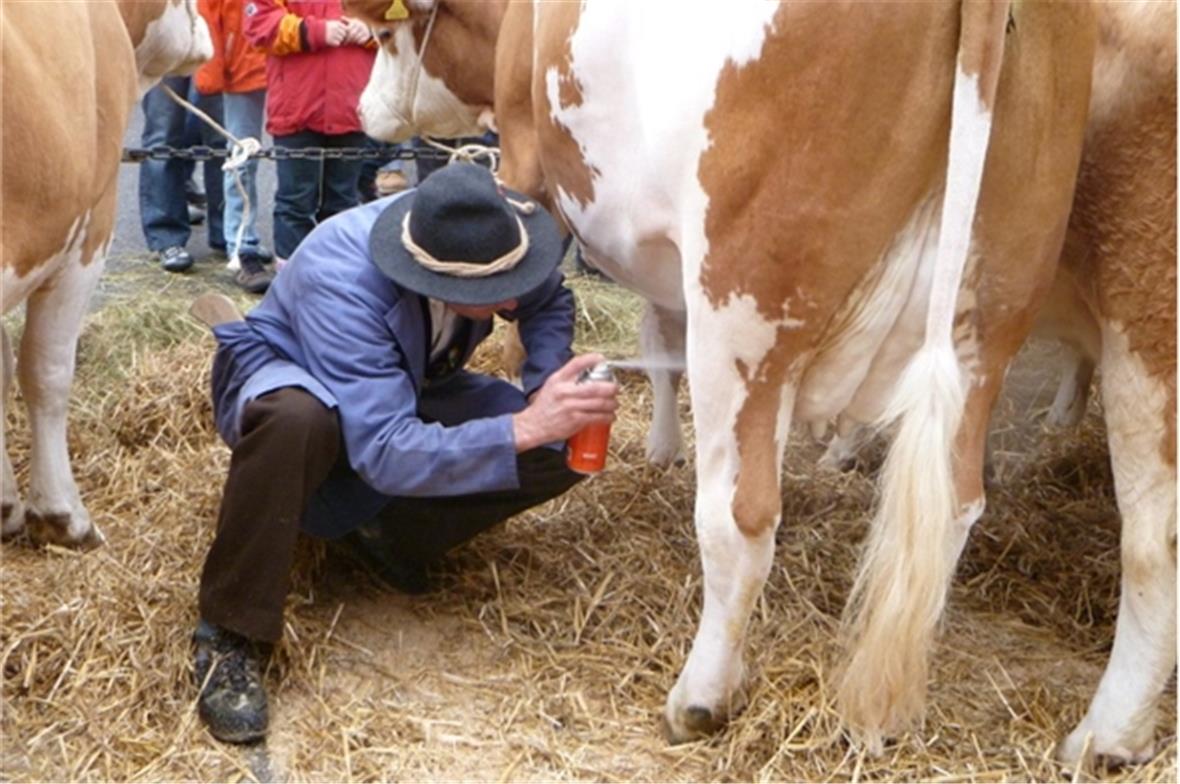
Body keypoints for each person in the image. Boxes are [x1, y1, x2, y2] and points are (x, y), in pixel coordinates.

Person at [191, 163, 619, 743]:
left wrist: (545, 388)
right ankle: (229, 633)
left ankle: (380, 536)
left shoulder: (487, 227)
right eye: (492, 293)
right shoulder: (341, 279)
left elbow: (546, 299)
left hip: (406, 383)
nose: (512, 296)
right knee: (298, 420)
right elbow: (386, 451)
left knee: (562, 440)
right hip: (299, 380)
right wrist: (523, 426)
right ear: (432, 277)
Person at [244, 0, 375, 265]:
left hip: (352, 107)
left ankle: (338, 277)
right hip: (296, 108)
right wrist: (313, 31)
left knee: (343, 203)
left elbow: (400, 21)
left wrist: (372, 29)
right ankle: (292, 281)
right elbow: (259, 24)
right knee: (295, 202)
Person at [195, 0, 275, 294]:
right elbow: (209, 12)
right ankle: (242, 246)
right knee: (242, 161)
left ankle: (298, 244)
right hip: (244, 65)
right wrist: (210, 73)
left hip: (297, 59)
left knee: (302, 161)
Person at [139, 78, 226, 272]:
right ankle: (165, 237)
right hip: (166, 51)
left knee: (220, 135)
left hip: (216, 49)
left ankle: (227, 231)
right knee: (163, 135)